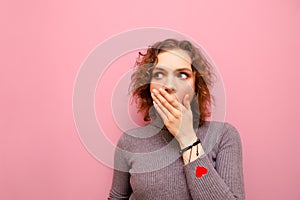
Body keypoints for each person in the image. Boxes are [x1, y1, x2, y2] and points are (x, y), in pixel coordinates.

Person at [108, 39, 245, 199]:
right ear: (149, 84)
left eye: (182, 74)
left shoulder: (223, 135)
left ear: (196, 84)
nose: (170, 85)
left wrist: (187, 138)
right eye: (159, 74)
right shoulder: (129, 141)